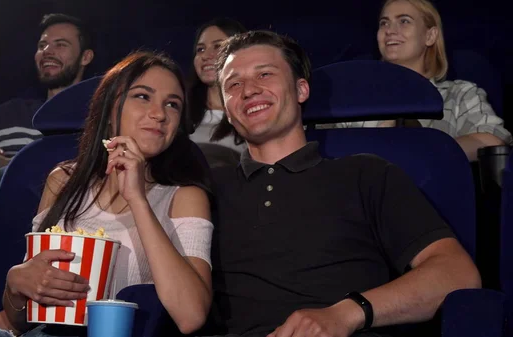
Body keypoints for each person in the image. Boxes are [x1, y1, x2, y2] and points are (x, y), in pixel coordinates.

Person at [204, 30, 481, 337]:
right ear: (227, 111)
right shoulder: (207, 189)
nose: (248, 90)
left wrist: (346, 314)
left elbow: (456, 273)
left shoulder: (366, 175)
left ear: (301, 90)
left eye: (265, 74)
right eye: (233, 84)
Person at [0, 51, 214, 337]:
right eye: (142, 96)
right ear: (111, 111)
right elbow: (24, 318)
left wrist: (137, 198)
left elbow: (191, 316)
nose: (160, 114)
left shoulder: (184, 197)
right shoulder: (63, 180)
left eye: (172, 104)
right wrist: (16, 287)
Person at [321, 0, 511, 162]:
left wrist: (420, 151)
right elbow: (317, 145)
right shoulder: (354, 99)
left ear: (430, 36)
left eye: (404, 21)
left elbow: (492, 139)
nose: (390, 31)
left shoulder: (460, 94)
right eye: (384, 23)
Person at [0, 13, 95, 175]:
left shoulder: (96, 118)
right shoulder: (11, 112)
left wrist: (7, 166)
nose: (47, 51)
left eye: (60, 45)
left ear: (85, 57)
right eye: (42, 46)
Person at [188, 17, 248, 167]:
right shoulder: (180, 112)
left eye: (218, 47)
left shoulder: (252, 113)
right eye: (200, 49)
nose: (206, 56)